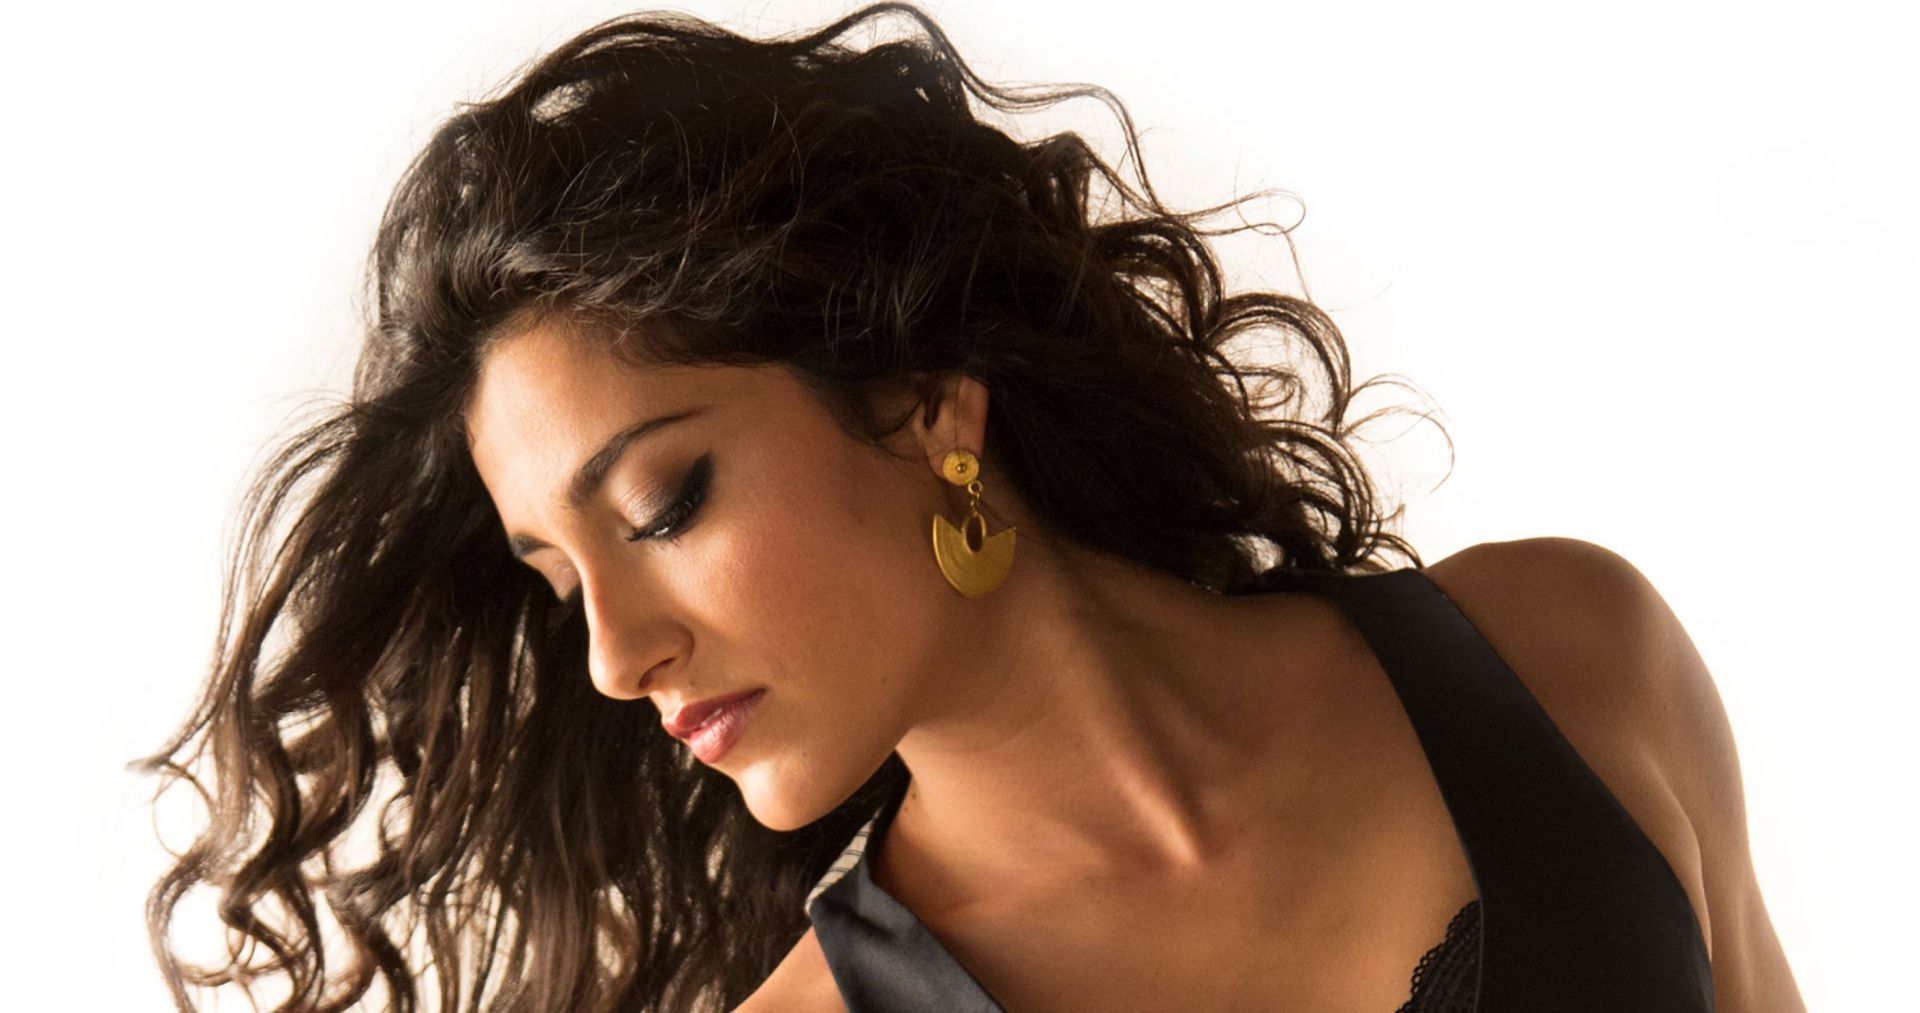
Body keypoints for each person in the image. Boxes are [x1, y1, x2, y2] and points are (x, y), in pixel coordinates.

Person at [135, 3, 1804, 1010]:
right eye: (558, 579)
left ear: (924, 398)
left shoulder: (1570, 661)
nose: (615, 655)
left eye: (661, 504)